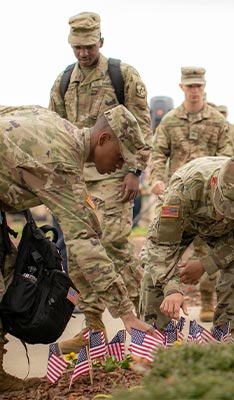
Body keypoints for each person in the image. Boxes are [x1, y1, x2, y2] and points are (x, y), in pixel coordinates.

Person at [0, 105, 153, 393]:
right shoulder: (63, 166)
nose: (120, 166)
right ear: (104, 139)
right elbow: (86, 246)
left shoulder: (53, 123)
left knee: (7, 270)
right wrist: (126, 313)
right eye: (120, 157)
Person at [49, 12, 152, 352]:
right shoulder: (63, 81)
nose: (83, 53)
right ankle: (93, 330)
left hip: (114, 176)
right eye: (77, 47)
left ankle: (144, 316)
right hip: (77, 179)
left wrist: (134, 171)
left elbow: (142, 128)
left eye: (89, 46)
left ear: (101, 42)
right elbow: (56, 131)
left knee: (111, 244)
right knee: (79, 255)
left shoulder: (122, 75)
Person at [141, 155, 234, 332]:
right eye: (224, 202)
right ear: (215, 182)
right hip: (186, 221)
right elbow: (160, 246)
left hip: (230, 233)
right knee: (154, 275)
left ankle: (229, 340)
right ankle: (153, 341)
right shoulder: (184, 188)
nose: (227, 212)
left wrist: (205, 264)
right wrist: (171, 288)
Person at [149, 66, 233, 322]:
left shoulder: (217, 121)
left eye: (198, 85)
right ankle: (165, 300)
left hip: (209, 200)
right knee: (164, 247)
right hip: (177, 196)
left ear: (204, 86)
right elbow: (158, 154)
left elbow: (228, 158)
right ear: (181, 87)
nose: (194, 90)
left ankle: (208, 300)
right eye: (190, 86)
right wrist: (156, 180)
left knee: (207, 249)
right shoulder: (170, 120)